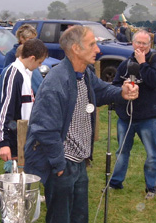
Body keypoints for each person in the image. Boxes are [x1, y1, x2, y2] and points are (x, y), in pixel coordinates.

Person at [24, 25, 139, 223]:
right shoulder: (56, 82)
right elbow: (44, 129)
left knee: (79, 217)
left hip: (79, 162)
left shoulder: (84, 74)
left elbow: (102, 91)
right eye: (92, 44)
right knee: (60, 218)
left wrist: (122, 92)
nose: (98, 49)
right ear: (76, 49)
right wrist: (59, 165)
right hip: (62, 163)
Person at [110, 29, 156, 199]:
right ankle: (115, 183)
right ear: (133, 43)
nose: (141, 46)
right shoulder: (125, 63)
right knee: (121, 152)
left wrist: (143, 63)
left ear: (150, 45)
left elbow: (153, 81)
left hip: (148, 117)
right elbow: (114, 86)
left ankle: (151, 187)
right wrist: (122, 88)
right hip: (126, 117)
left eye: (145, 43)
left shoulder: (153, 60)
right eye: (138, 43)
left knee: (152, 154)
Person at [0, 38, 48, 163]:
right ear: (32, 58)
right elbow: (5, 111)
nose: (39, 66)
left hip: (25, 137)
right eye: (39, 62)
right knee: (15, 176)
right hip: (14, 140)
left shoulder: (25, 72)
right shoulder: (14, 74)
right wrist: (4, 143)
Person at [3, 24, 43, 94]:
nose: (33, 42)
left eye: (34, 39)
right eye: (30, 39)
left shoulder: (32, 53)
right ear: (21, 38)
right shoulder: (11, 55)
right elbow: (7, 78)